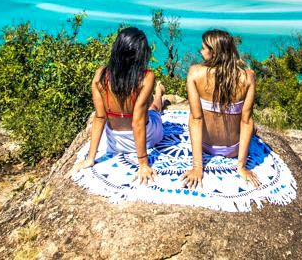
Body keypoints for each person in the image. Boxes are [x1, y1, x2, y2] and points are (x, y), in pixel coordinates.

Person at [70, 27, 164, 185]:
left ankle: (158, 94)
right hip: (147, 138)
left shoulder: (100, 75)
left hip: (115, 143)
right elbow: (138, 122)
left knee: (148, 109)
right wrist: (143, 164)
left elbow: (100, 117)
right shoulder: (147, 76)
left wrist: (90, 158)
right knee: (153, 110)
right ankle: (160, 93)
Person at [181, 29, 260, 189]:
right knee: (251, 124)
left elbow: (196, 119)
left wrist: (197, 168)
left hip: (206, 146)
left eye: (203, 48)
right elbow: (246, 122)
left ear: (214, 52)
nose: (200, 51)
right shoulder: (248, 77)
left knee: (193, 115)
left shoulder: (195, 73)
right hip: (233, 150)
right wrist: (242, 167)